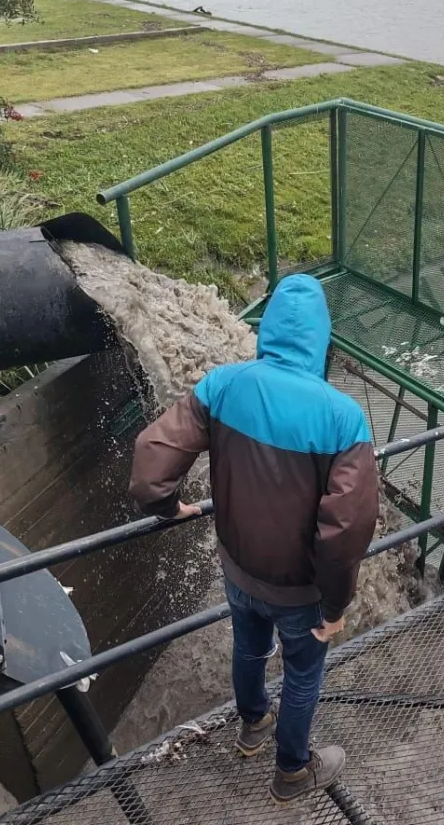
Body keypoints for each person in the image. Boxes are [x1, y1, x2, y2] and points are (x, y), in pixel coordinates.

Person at [128, 274, 379, 804]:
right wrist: (335, 606)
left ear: (267, 331)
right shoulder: (343, 418)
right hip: (300, 590)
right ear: (321, 338)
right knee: (303, 673)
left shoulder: (223, 385)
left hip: (239, 570)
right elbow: (344, 531)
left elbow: (151, 468)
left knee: (248, 646)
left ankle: (253, 724)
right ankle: (292, 771)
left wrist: (168, 507)